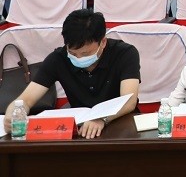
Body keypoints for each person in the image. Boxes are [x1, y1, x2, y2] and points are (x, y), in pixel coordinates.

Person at [3, 10, 139, 139]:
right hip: (79, 130)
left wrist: (102, 119)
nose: (79, 58)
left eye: (85, 53)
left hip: (120, 124)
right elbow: (26, 100)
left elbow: (129, 101)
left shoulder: (125, 53)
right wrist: (13, 115)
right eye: (73, 53)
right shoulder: (58, 59)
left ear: (103, 42)